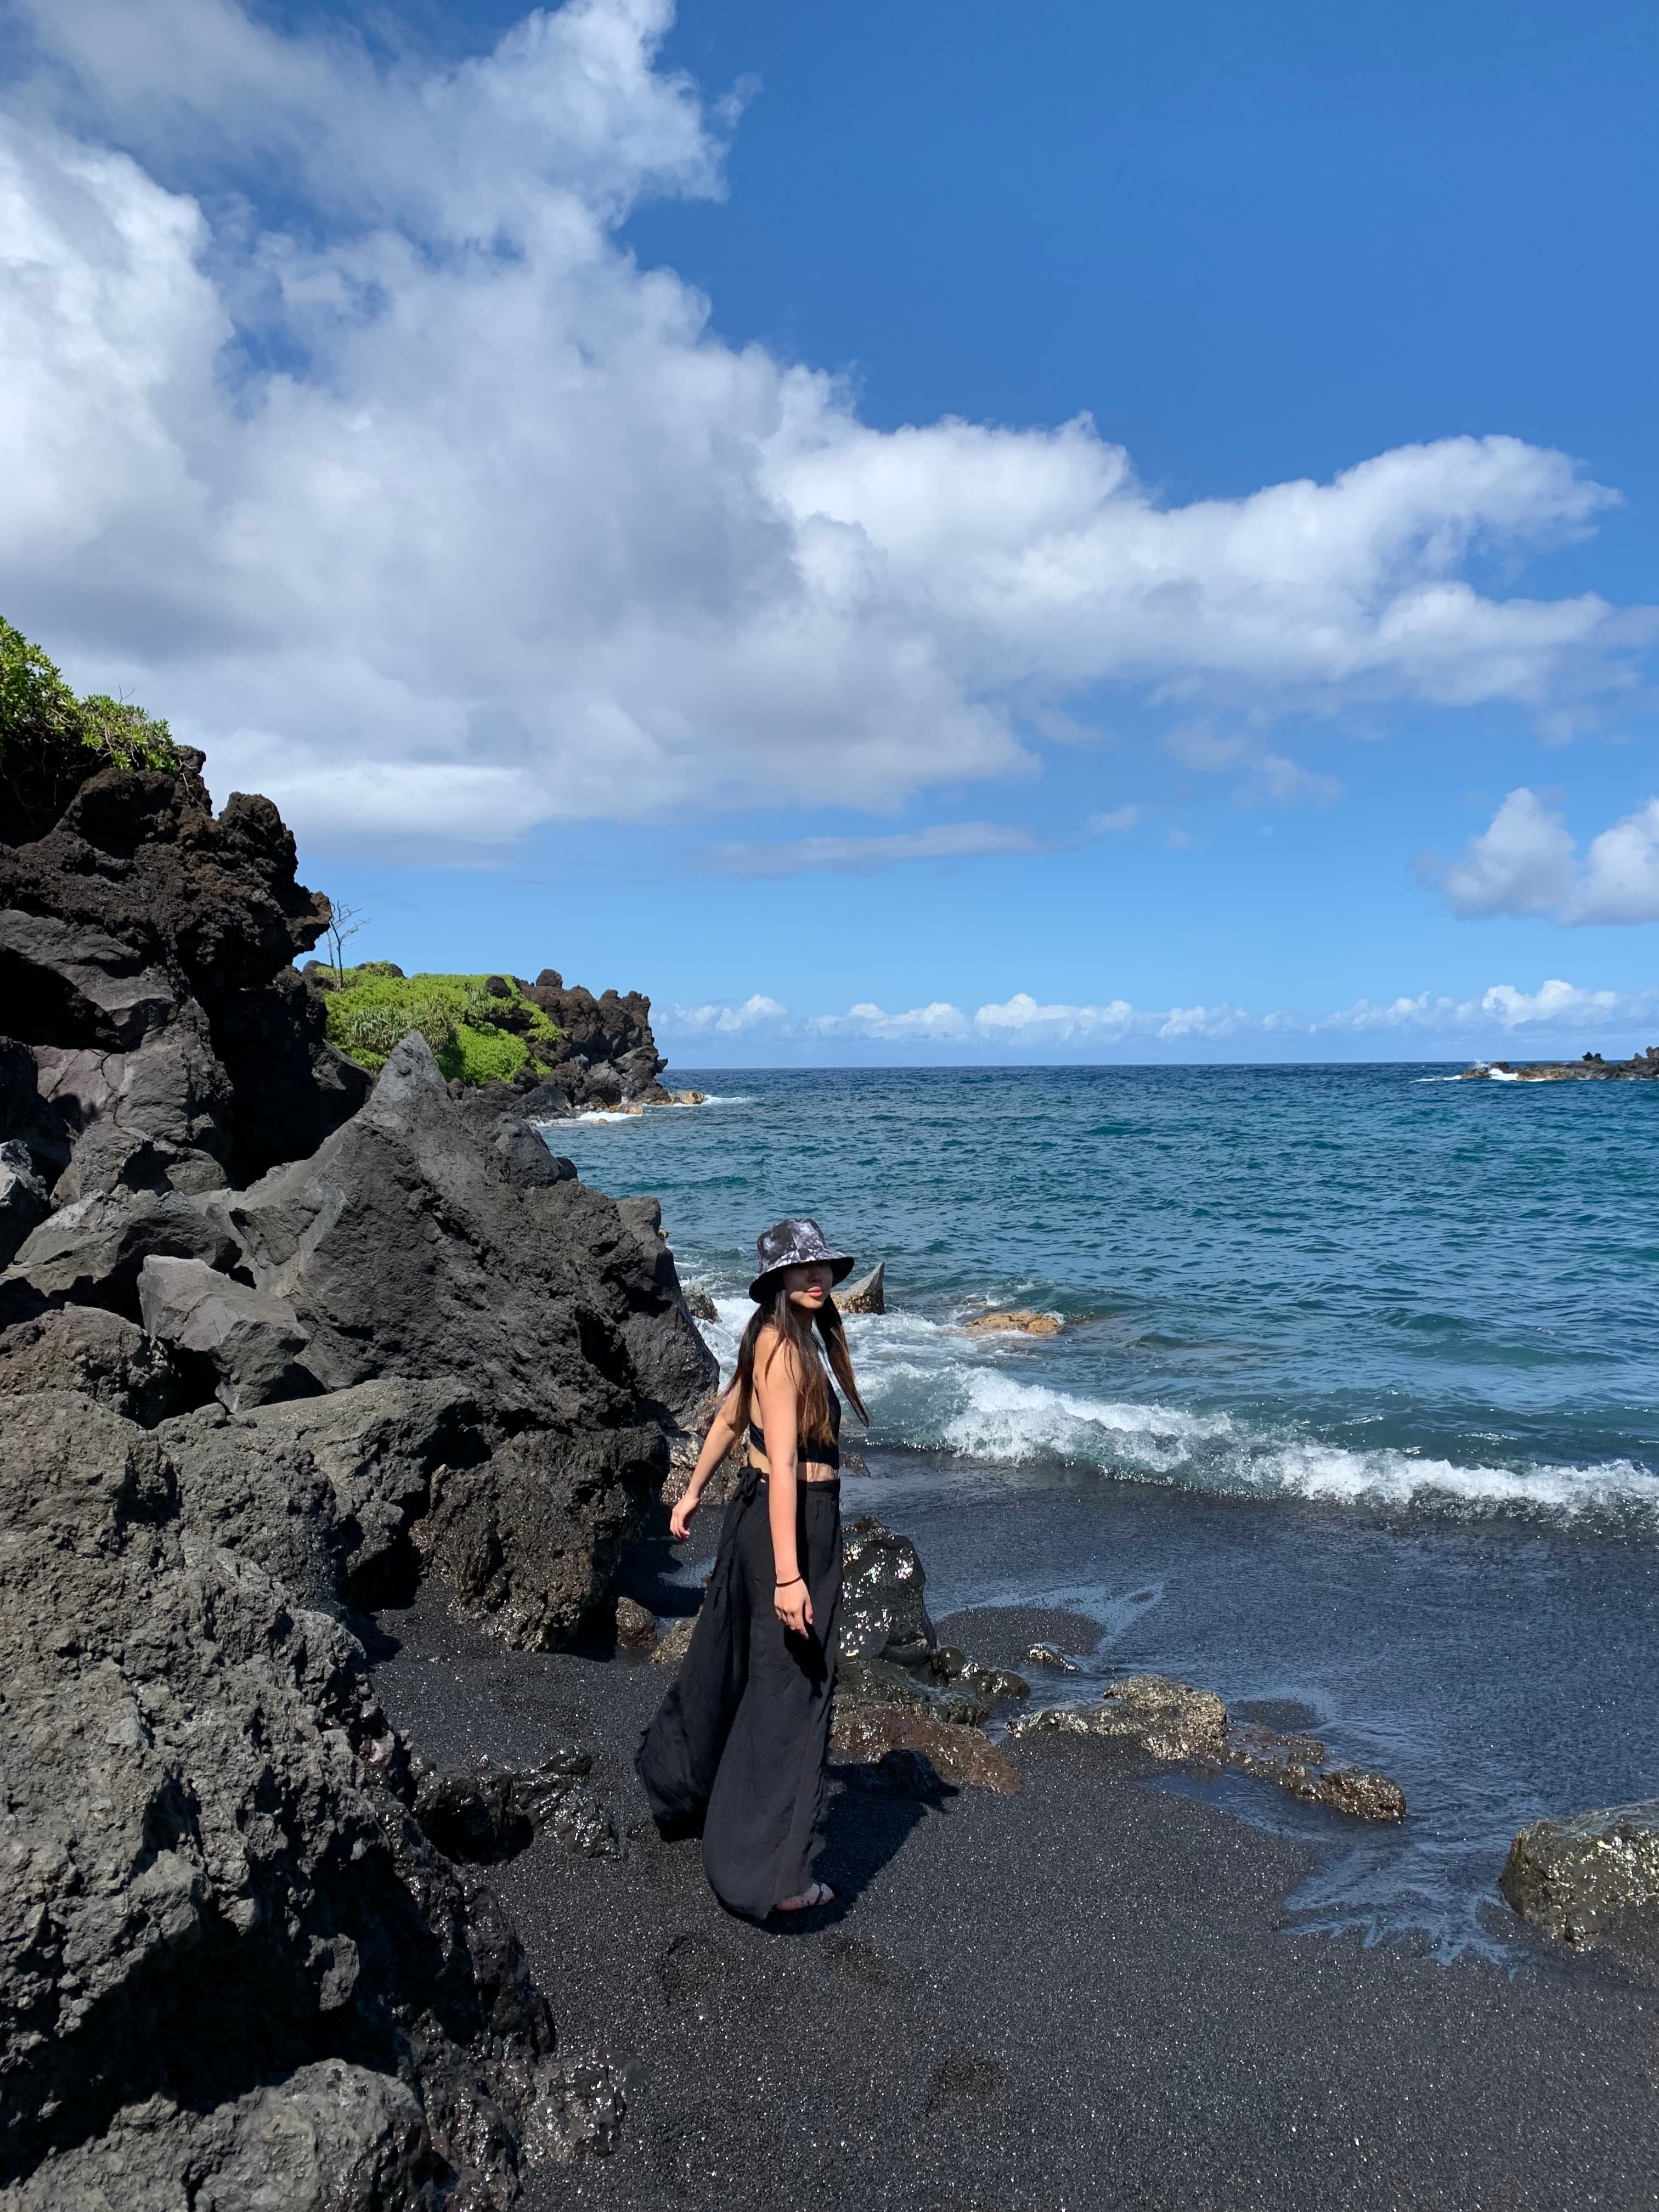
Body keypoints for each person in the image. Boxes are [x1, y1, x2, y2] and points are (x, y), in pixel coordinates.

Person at [635, 1217, 868, 1918]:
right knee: (792, 1687)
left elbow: (731, 1419)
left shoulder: (767, 1339)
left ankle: (686, 1790)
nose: (816, 1278)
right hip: (793, 1522)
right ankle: (767, 1874)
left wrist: (693, 1490)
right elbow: (790, 1469)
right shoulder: (784, 1351)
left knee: (727, 1656)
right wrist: (793, 1577)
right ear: (775, 1282)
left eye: (821, 1267)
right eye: (801, 1270)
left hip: (755, 1515)